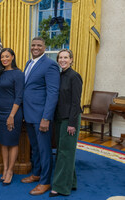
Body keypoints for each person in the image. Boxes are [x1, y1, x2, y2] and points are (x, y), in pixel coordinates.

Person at [22, 37, 60, 195]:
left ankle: (45, 182)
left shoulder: (50, 65)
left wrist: (46, 117)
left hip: (41, 116)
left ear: (44, 47)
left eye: (39, 45)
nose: (35, 47)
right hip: (29, 114)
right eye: (33, 45)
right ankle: (36, 174)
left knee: (44, 150)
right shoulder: (28, 63)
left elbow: (53, 93)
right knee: (35, 148)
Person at [49, 49, 82, 197]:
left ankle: (60, 187)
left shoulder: (75, 77)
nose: (62, 60)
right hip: (59, 118)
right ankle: (72, 182)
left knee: (64, 153)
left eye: (65, 57)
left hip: (70, 119)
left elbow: (76, 103)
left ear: (71, 60)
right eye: (60, 57)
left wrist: (72, 124)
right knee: (65, 151)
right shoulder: (59, 75)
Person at [0, 48, 24, 186]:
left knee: (12, 142)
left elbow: (19, 96)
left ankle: (10, 171)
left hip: (13, 112)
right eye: (2, 57)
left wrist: (11, 115)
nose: (4, 59)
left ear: (12, 57)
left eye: (7, 56)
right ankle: (5, 169)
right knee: (3, 142)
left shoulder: (18, 74)